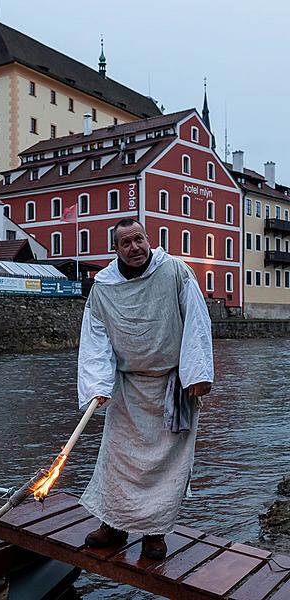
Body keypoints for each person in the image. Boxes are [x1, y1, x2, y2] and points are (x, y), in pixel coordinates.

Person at [77, 218, 213, 560]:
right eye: (126, 243)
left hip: (173, 384)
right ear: (116, 249)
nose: (134, 247)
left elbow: (197, 319)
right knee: (118, 459)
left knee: (167, 467)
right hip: (128, 388)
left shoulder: (175, 272)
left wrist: (197, 372)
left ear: (148, 239)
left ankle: (155, 533)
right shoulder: (103, 288)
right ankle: (114, 524)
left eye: (139, 239)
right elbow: (95, 339)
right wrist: (97, 385)